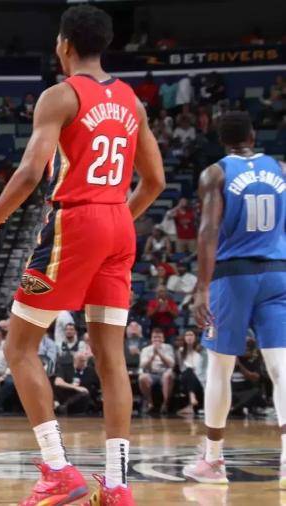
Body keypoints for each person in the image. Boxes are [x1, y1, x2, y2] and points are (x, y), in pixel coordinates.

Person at [0, 5, 164, 504]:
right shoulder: (131, 101)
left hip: (78, 220)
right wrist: (113, 224)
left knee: (18, 347)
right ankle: (117, 486)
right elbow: (155, 181)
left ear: (65, 45)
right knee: (112, 360)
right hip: (119, 224)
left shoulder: (61, 95)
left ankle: (57, 469)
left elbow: (31, 173)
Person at [183, 111, 286, 487]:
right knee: (281, 367)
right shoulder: (280, 169)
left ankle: (213, 461)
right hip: (277, 272)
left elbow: (208, 230)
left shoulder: (216, 173)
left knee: (219, 368)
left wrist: (202, 287)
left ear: (221, 140)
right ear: (253, 135)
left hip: (233, 276)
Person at [137, 328, 175, 414]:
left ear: (163, 339)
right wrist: (153, 355)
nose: (157, 339)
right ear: (151, 339)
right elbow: (142, 365)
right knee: (142, 378)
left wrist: (160, 354)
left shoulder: (168, 347)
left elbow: (171, 364)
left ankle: (165, 403)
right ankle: (150, 403)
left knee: (168, 375)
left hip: (164, 373)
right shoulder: (146, 349)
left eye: (159, 337)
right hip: (151, 373)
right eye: (154, 337)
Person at [176, 328, 206, 416]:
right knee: (188, 371)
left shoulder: (201, 351)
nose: (189, 337)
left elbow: (203, 367)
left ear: (195, 337)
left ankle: (191, 403)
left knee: (192, 372)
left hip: (199, 377)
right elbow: (182, 368)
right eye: (187, 335)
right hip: (185, 376)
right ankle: (192, 397)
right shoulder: (180, 351)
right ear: (184, 338)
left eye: (191, 335)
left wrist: (195, 370)